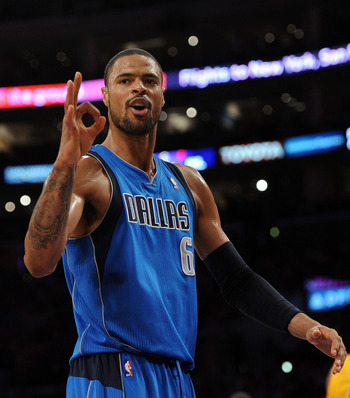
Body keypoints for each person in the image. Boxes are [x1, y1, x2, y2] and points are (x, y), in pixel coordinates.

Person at [24, 48, 347, 398]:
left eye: (150, 81)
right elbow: (39, 262)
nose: (139, 88)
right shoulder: (89, 174)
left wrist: (306, 326)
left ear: (162, 96)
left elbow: (237, 279)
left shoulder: (189, 185)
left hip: (177, 377)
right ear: (105, 96)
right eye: (125, 81)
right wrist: (64, 165)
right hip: (112, 372)